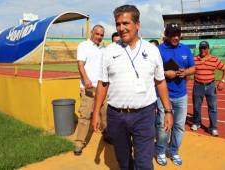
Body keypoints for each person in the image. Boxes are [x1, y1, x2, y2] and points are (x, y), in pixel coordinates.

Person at [92, 5, 173, 170]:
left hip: (144, 115)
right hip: (116, 115)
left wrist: (168, 111)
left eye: (126, 23)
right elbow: (103, 83)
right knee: (124, 161)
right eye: (118, 24)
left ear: (137, 24)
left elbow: (160, 81)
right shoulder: (108, 51)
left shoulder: (152, 50)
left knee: (143, 163)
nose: (121, 28)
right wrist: (95, 113)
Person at [155, 23, 195, 166]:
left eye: (178, 34)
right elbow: (153, 70)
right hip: (163, 94)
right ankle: (161, 150)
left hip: (181, 95)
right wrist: (166, 73)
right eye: (172, 34)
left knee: (179, 126)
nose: (176, 37)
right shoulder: (159, 50)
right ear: (166, 35)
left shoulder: (185, 49)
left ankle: (174, 151)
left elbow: (193, 67)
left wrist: (185, 72)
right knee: (163, 125)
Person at [73, 24, 107, 156]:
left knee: (105, 113)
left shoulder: (103, 49)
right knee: (85, 115)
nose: (99, 37)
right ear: (92, 33)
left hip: (102, 87)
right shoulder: (83, 46)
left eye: (101, 35)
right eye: (97, 34)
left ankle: (107, 134)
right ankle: (79, 142)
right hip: (88, 87)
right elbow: (80, 64)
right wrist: (86, 80)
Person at [191, 41, 225, 136]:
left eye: (204, 48)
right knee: (196, 107)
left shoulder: (214, 59)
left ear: (208, 49)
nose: (202, 50)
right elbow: (188, 69)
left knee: (212, 108)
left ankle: (213, 127)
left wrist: (222, 81)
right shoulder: (194, 59)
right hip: (198, 85)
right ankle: (196, 123)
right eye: (201, 48)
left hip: (211, 86)